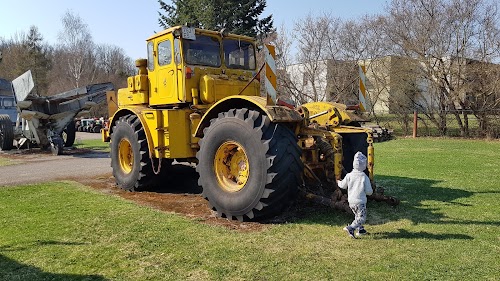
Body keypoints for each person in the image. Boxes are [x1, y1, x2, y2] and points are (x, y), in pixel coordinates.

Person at [337, 151, 373, 238]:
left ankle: (360, 230)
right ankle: (351, 228)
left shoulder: (349, 175)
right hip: (360, 201)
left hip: (351, 202)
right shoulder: (364, 177)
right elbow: (369, 192)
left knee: (357, 216)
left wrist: (338, 181)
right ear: (363, 165)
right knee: (362, 218)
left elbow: (342, 185)